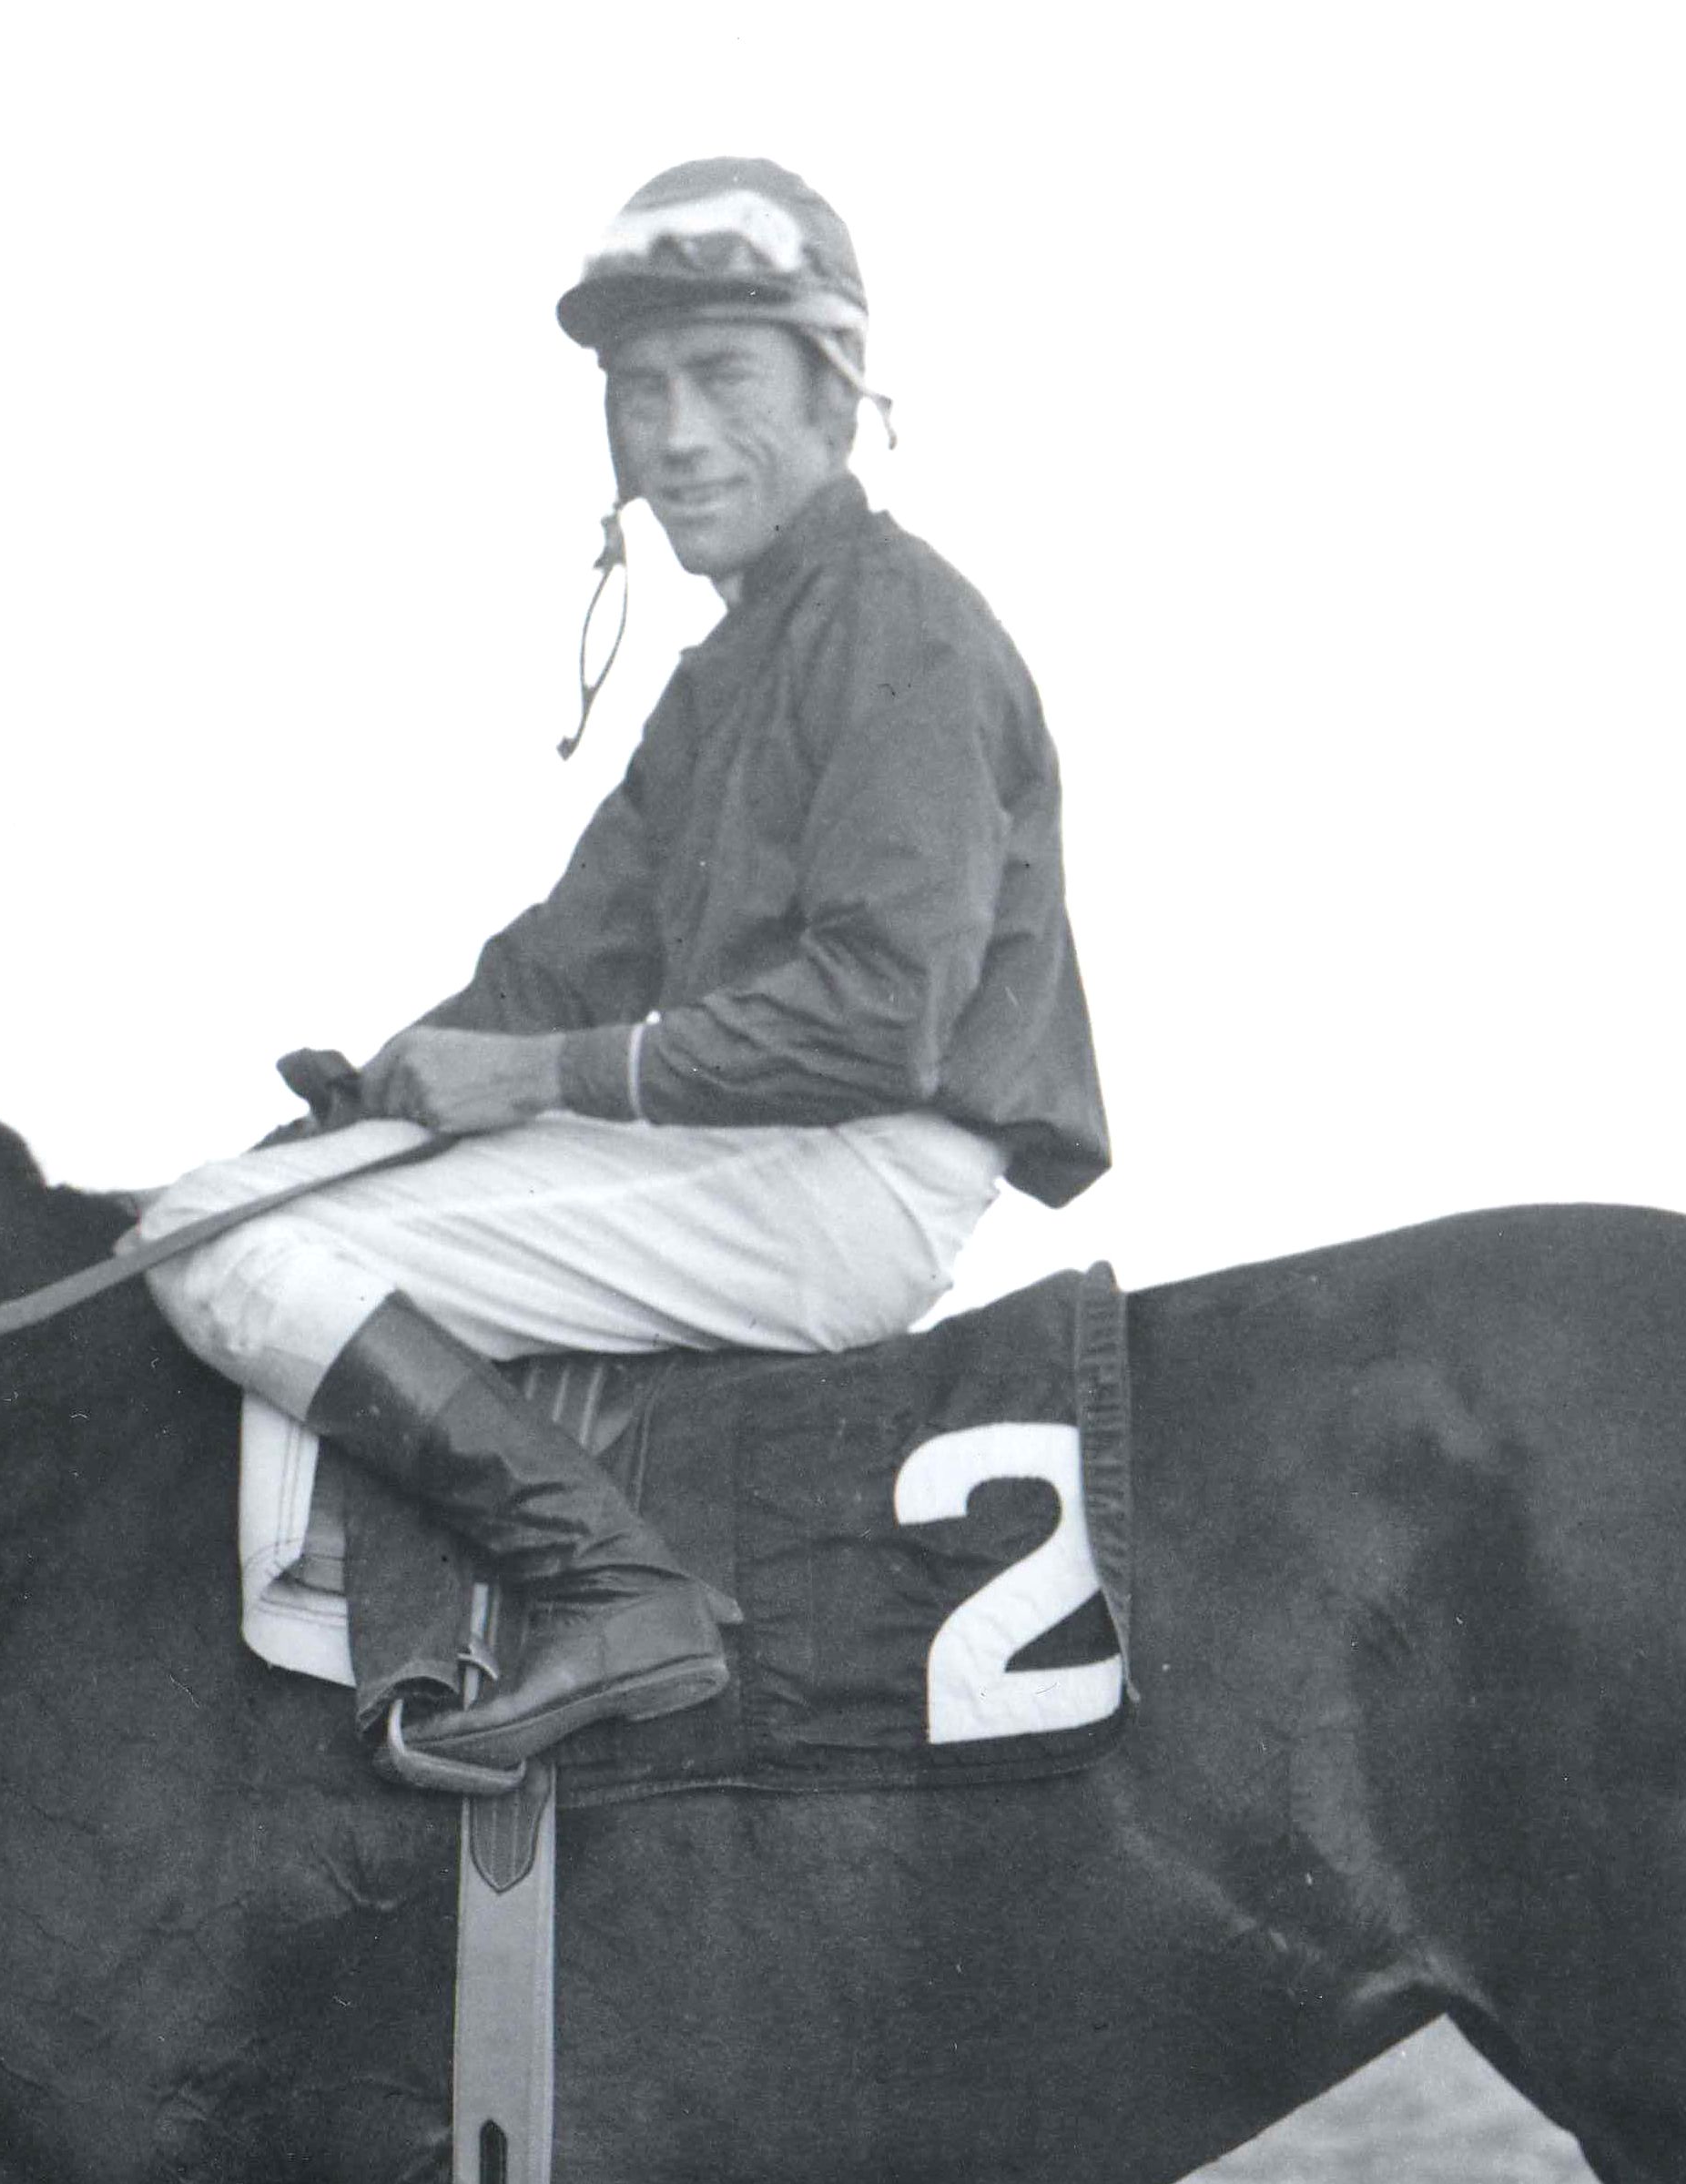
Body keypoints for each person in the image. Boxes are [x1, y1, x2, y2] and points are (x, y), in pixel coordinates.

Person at [134, 156, 1105, 1781]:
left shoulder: (903, 629)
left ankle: (621, 1591)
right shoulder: (732, 666)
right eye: (634, 391)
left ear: (837, 395)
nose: (670, 435)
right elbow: (553, 967)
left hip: (853, 1173)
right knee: (236, 1204)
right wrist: (379, 1094)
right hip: (749, 1149)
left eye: (720, 377)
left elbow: (879, 1015)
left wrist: (525, 1081)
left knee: (215, 1258)